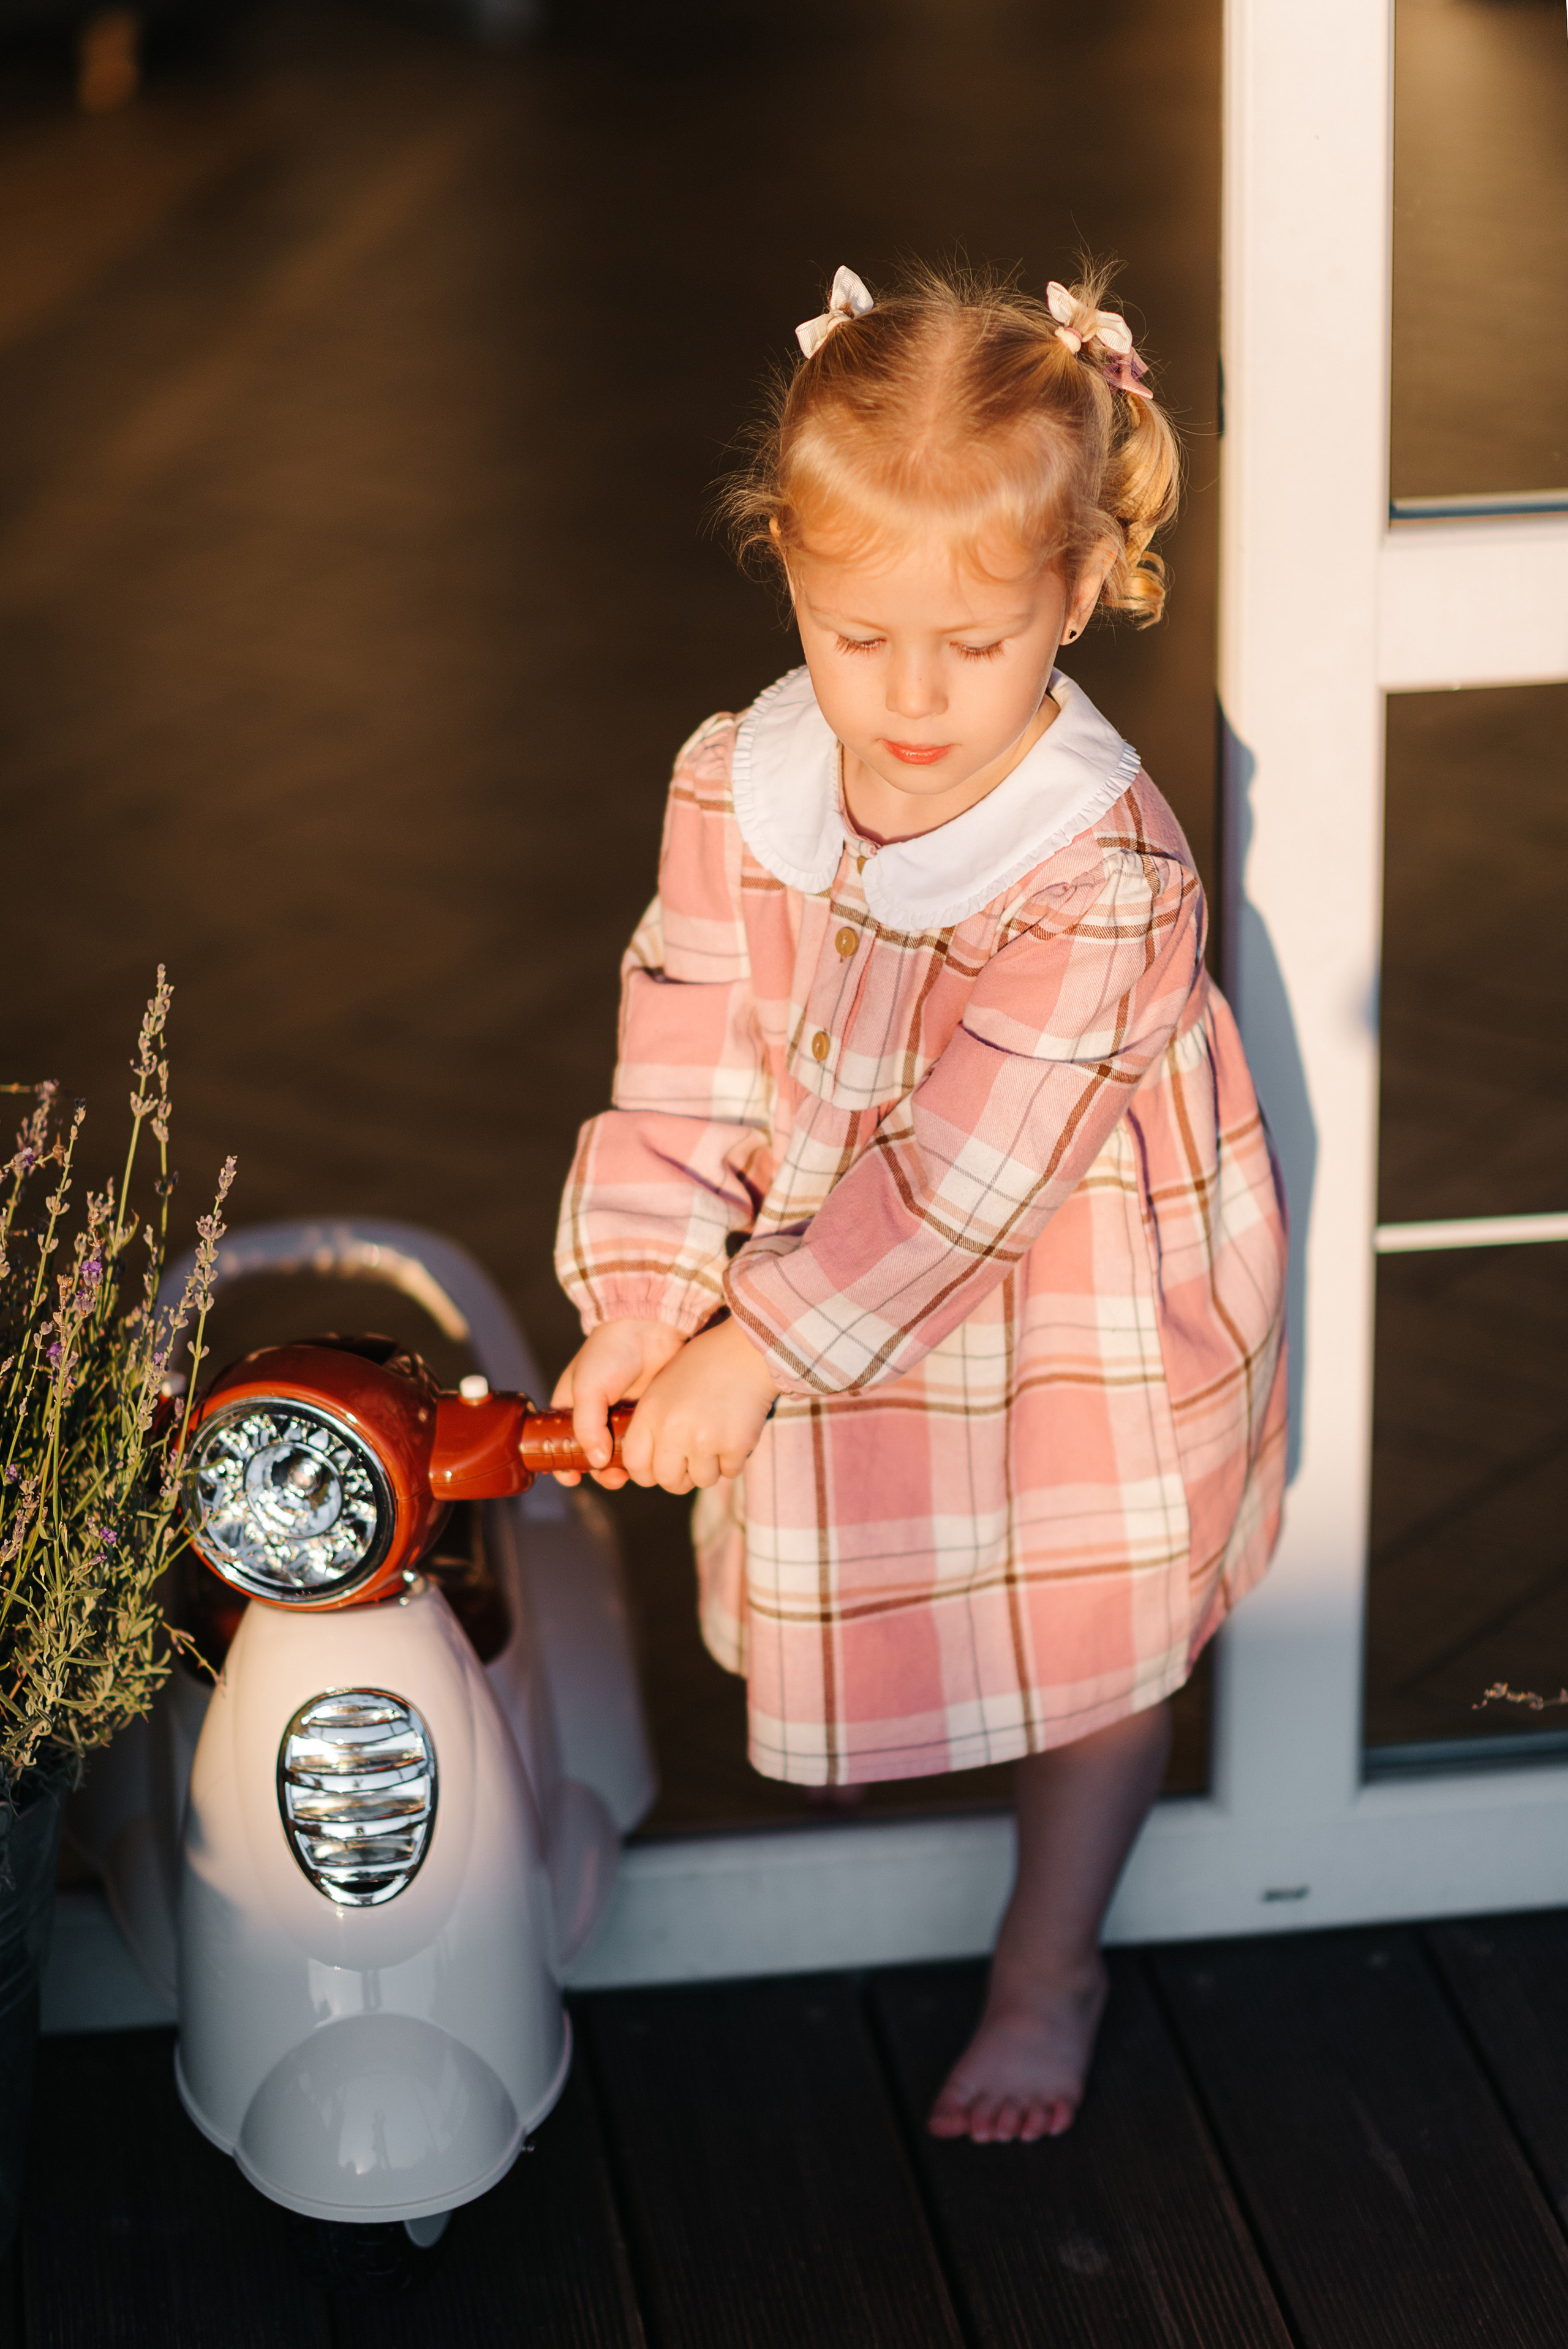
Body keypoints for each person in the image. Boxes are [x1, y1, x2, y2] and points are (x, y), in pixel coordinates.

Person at [551, 260, 1287, 2144]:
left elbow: (966, 1190)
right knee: (905, 1582)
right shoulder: (748, 775)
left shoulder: (1100, 874)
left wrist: (756, 1342)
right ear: (786, 563)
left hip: (1058, 1308)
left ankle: (1052, 1958)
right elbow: (692, 1034)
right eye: (853, 629)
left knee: (1085, 1636)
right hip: (829, 1295)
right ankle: (897, 1714)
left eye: (971, 643)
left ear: (1079, 591)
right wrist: (647, 1293)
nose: (905, 697)